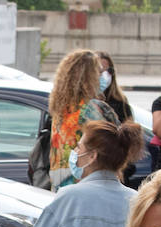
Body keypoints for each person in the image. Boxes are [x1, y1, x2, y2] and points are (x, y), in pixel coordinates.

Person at [45, 49, 119, 192]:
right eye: (98, 72)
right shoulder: (91, 110)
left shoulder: (61, 111)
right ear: (88, 77)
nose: (102, 77)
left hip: (60, 189)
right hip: (88, 187)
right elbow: (112, 147)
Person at [97, 51, 133, 124]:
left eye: (109, 71)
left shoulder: (120, 100)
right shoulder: (83, 100)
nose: (104, 75)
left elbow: (129, 128)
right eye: (100, 71)